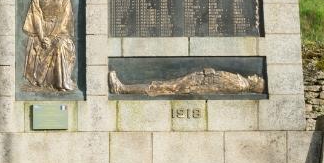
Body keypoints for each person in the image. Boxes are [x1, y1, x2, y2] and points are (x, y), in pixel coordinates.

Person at [22, 0, 76, 92]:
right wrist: (42, 37)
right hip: (41, 29)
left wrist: (52, 36)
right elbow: (36, 14)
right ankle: (46, 81)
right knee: (44, 45)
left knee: (60, 45)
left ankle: (61, 83)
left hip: (59, 30)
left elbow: (65, 16)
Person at [109, 68, 265, 97]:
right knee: (160, 86)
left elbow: (215, 87)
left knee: (160, 87)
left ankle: (122, 89)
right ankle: (122, 89)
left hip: (195, 83)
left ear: (255, 86)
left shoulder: (240, 85)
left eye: (258, 80)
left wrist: (193, 86)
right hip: (197, 79)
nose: (256, 76)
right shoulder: (241, 80)